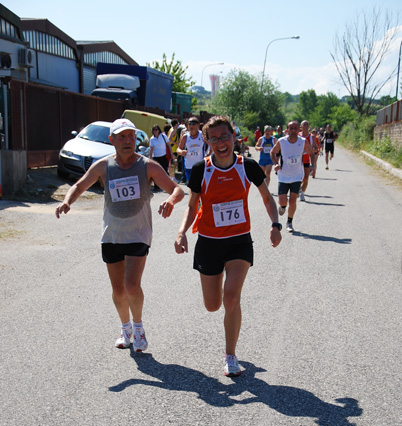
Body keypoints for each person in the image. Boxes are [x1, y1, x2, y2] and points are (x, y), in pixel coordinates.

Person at [55, 118, 184, 352]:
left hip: (138, 233)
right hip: (112, 235)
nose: (127, 141)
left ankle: (138, 327)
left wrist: (170, 199)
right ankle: (125, 329)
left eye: (131, 136)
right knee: (118, 290)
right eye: (122, 137)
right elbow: (80, 185)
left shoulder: (148, 166)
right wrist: (67, 201)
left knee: (132, 285)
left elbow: (177, 189)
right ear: (111, 140)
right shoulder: (103, 166)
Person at [174, 115, 282, 377]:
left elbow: (267, 198)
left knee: (231, 297)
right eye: (214, 139)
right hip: (209, 242)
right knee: (212, 305)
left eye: (225, 137)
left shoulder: (248, 166)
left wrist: (275, 224)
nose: (220, 143)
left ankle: (230, 354)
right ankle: (226, 318)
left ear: (234, 137)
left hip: (238, 242)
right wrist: (181, 232)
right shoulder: (201, 169)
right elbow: (192, 206)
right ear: (207, 142)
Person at [270, 120, 316, 233]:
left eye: (296, 128)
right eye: (291, 128)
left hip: (297, 175)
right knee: (282, 201)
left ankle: (289, 222)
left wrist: (312, 165)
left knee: (293, 200)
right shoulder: (282, 141)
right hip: (283, 175)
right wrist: (276, 164)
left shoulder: (303, 141)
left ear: (298, 129)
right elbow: (272, 152)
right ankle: (283, 207)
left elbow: (312, 153)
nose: (294, 130)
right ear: (287, 130)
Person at [177, 117, 206, 185]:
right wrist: (181, 152)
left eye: (193, 123)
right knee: (191, 185)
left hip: (200, 165)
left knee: (200, 185)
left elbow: (211, 145)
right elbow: (178, 149)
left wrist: (209, 153)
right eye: (189, 124)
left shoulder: (202, 135)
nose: (191, 126)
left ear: (198, 125)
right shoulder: (185, 136)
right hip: (189, 165)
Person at [298, 120, 319, 200]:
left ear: (309, 127)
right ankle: (298, 188)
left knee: (306, 177)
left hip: (306, 159)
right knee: (298, 177)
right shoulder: (297, 136)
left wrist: (310, 149)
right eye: (304, 124)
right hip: (298, 159)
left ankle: (302, 193)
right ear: (301, 127)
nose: (306, 126)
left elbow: (314, 149)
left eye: (307, 124)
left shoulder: (312, 137)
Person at [149, 124, 171, 189]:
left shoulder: (163, 136)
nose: (155, 131)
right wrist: (150, 158)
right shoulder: (152, 139)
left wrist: (171, 153)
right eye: (154, 130)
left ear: (159, 130)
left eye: (156, 129)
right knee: (156, 173)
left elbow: (169, 145)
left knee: (165, 171)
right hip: (156, 157)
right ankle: (157, 186)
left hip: (164, 156)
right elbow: (151, 149)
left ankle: (167, 185)